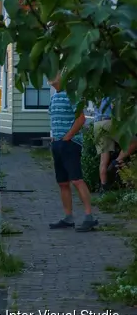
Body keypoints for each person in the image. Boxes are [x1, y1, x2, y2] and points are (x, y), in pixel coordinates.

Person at [48, 73, 97, 232]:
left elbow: (81, 118)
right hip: (57, 143)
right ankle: (68, 218)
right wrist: (55, 139)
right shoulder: (54, 97)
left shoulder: (72, 95)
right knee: (62, 183)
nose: (50, 77)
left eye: (54, 74)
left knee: (76, 179)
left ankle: (89, 217)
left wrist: (67, 137)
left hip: (70, 144)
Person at [93, 97, 115, 192]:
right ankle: (117, 161)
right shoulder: (111, 92)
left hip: (98, 123)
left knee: (103, 160)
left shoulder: (97, 94)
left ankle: (104, 189)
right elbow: (114, 107)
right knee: (133, 143)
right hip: (108, 121)